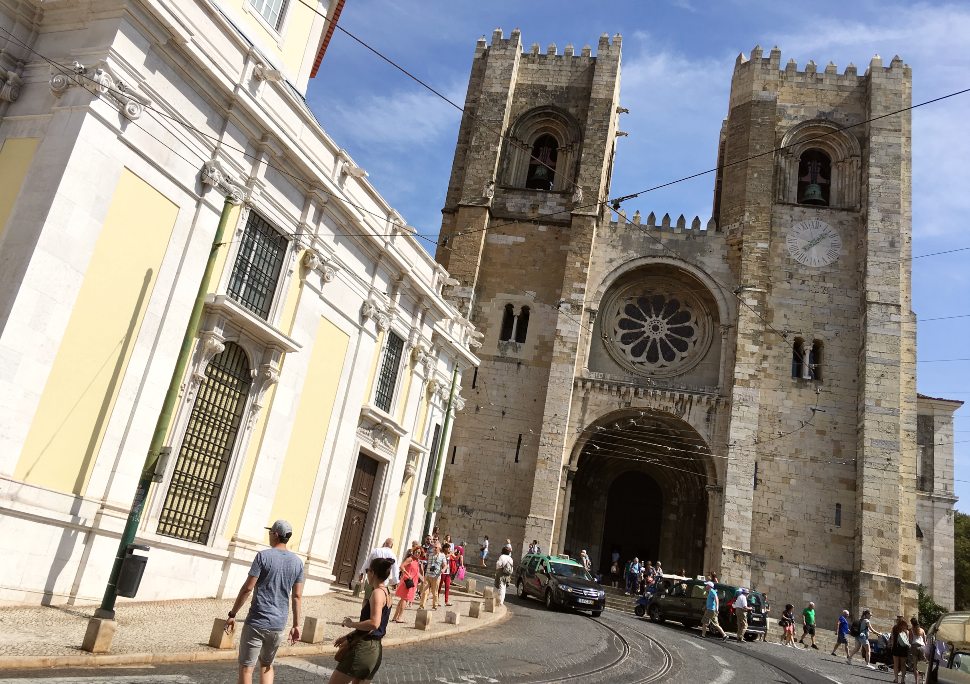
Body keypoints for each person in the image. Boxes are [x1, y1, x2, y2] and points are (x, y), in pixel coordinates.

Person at [225, 520, 304, 684]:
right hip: (278, 624)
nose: (269, 536)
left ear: (275, 535)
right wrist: (296, 625)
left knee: (247, 667)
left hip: (257, 621)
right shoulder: (297, 563)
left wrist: (232, 614)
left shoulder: (263, 556)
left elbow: (247, 588)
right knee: (267, 665)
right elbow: (297, 596)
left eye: (270, 533)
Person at [330, 557, 394, 684]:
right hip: (375, 650)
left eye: (367, 571)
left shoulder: (377, 593)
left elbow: (374, 623)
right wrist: (348, 637)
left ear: (373, 573)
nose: (367, 574)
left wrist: (350, 624)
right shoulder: (387, 593)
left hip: (363, 649)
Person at [391, 548, 422, 623]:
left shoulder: (417, 561)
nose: (417, 554)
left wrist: (422, 579)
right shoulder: (410, 559)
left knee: (403, 599)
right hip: (408, 581)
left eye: (419, 553)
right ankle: (399, 617)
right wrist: (407, 574)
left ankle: (395, 617)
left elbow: (416, 572)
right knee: (405, 599)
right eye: (416, 552)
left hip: (412, 582)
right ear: (413, 552)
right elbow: (401, 566)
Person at [419, 542, 444, 610]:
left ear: (439, 548)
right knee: (425, 591)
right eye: (434, 547)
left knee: (434, 592)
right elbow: (423, 555)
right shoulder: (430, 554)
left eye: (436, 547)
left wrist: (443, 570)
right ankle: (422, 606)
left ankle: (435, 605)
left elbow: (445, 565)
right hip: (428, 575)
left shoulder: (442, 556)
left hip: (436, 576)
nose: (434, 549)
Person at [909, 616, 926, 684]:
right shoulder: (922, 630)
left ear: (912, 623)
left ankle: (916, 682)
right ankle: (923, 681)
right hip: (922, 647)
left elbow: (910, 640)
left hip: (914, 647)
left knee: (915, 666)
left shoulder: (911, 630)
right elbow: (925, 641)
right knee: (922, 665)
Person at [438, 542, 455, 607]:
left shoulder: (449, 554)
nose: (449, 549)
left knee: (447, 587)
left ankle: (446, 601)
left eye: (449, 548)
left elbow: (455, 558)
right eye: (448, 548)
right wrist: (450, 553)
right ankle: (437, 600)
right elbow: (445, 557)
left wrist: (459, 555)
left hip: (448, 572)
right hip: (442, 572)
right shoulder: (442, 554)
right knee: (439, 587)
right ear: (445, 548)